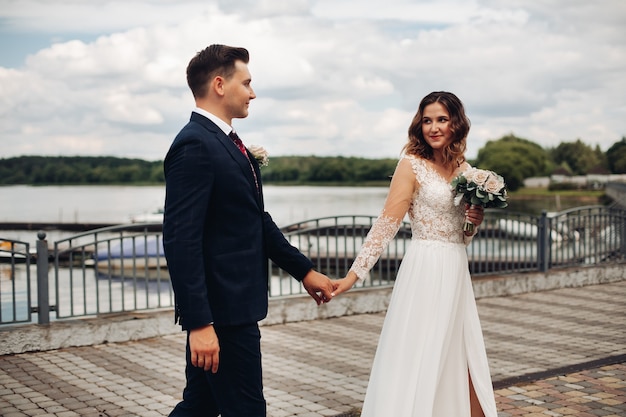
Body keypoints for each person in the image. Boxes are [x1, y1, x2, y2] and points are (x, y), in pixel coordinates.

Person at [162, 44, 336, 417]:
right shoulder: (195, 144)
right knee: (246, 409)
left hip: (234, 307)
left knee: (200, 407)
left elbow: (255, 220)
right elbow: (181, 240)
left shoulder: (227, 143)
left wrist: (303, 270)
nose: (253, 93)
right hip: (222, 315)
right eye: (247, 83)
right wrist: (200, 324)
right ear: (221, 85)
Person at [332, 91, 498, 416]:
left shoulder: (467, 172)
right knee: (419, 353)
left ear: (456, 124)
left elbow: (461, 238)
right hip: (425, 267)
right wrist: (354, 275)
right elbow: (386, 225)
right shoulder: (411, 165)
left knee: (459, 353)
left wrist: (472, 224)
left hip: (455, 268)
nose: (433, 127)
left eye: (441, 119)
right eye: (427, 120)